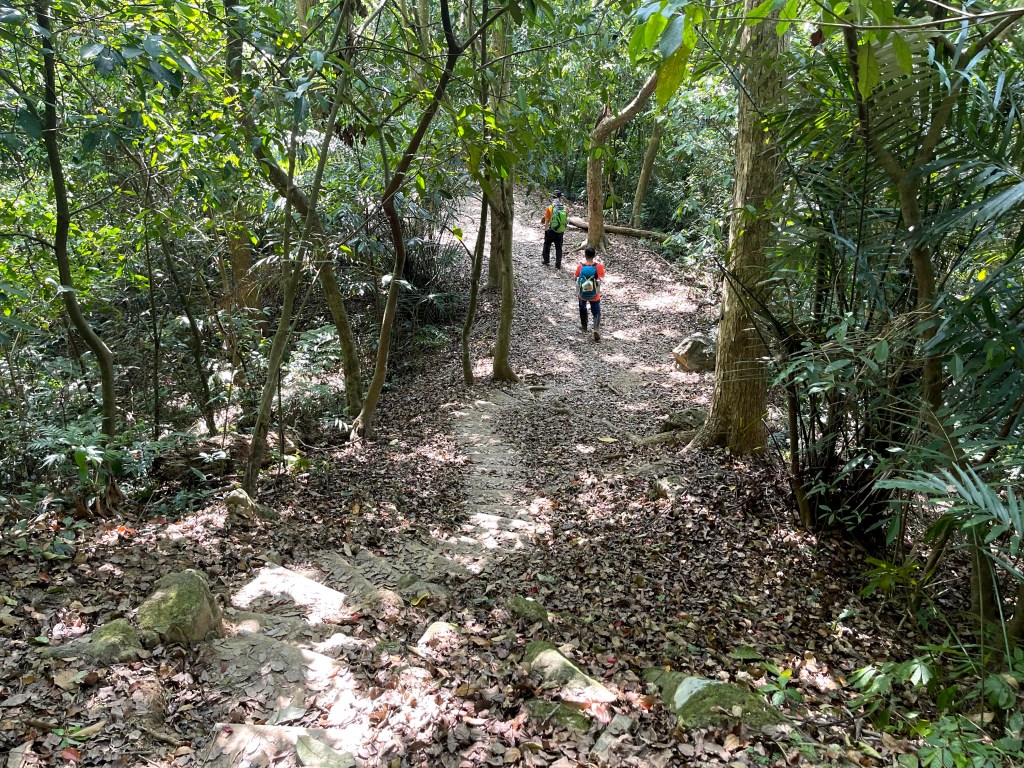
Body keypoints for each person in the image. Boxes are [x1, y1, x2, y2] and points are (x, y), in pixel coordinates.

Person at [575, 247, 605, 341]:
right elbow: (601, 277)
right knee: (596, 311)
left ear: (585, 255)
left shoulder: (581, 266)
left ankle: (584, 326)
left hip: (582, 292)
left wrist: (578, 289)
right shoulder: (598, 266)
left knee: (582, 308)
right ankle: (596, 329)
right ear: (594, 255)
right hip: (595, 293)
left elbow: (576, 277)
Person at [541, 191, 567, 268]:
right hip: (560, 230)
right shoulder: (564, 207)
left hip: (551, 229)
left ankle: (546, 260)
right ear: (560, 198)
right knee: (559, 247)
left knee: (547, 245)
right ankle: (558, 264)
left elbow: (547, 220)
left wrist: (545, 229)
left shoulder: (550, 207)